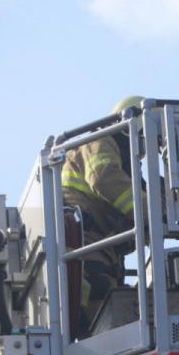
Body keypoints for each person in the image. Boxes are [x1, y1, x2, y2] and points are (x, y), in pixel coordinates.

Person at [61, 95, 143, 333]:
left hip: (103, 253)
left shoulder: (124, 159)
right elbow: (104, 179)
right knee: (103, 327)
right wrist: (153, 215)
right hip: (87, 250)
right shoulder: (100, 142)